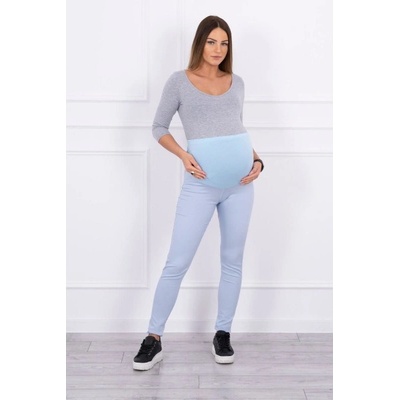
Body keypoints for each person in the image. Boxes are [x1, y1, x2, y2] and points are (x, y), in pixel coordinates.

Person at [133, 15, 264, 371]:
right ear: (200, 43)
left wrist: (257, 160)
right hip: (200, 185)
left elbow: (235, 128)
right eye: (211, 42)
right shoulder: (179, 81)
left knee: (232, 261)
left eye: (224, 43)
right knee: (177, 262)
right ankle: (153, 338)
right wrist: (183, 155)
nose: (218, 49)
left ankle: (223, 332)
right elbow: (159, 126)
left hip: (241, 186)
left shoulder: (236, 82)